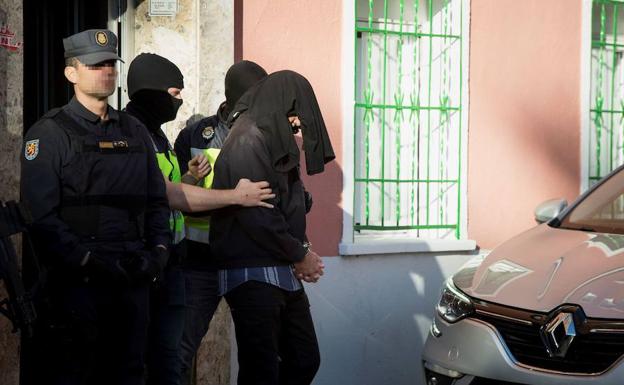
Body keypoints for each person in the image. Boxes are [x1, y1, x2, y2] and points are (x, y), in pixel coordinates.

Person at [20, 29, 170, 385]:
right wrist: (89, 261)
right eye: (94, 65)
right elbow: (40, 216)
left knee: (129, 373)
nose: (106, 71)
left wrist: (158, 252)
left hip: (132, 281)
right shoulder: (50, 134)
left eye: (110, 64)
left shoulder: (134, 130)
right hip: (78, 287)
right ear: (71, 73)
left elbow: (156, 202)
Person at [124, 53, 274, 385]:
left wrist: (190, 179)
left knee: (259, 354)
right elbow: (168, 195)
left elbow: (172, 190)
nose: (179, 100)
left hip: (237, 259)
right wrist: (235, 196)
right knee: (169, 355)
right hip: (183, 263)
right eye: (175, 93)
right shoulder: (178, 135)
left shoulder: (158, 134)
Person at [210, 70, 335, 385]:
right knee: (260, 369)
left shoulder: (270, 137)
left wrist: (301, 250)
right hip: (253, 273)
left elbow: (287, 204)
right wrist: (300, 254)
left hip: (281, 271)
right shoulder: (248, 138)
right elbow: (259, 215)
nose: (297, 123)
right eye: (294, 113)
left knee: (304, 359)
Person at [173, 60, 269, 384]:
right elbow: (176, 192)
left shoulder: (267, 133)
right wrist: (193, 180)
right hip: (199, 263)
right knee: (179, 350)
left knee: (258, 355)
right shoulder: (196, 134)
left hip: (248, 262)